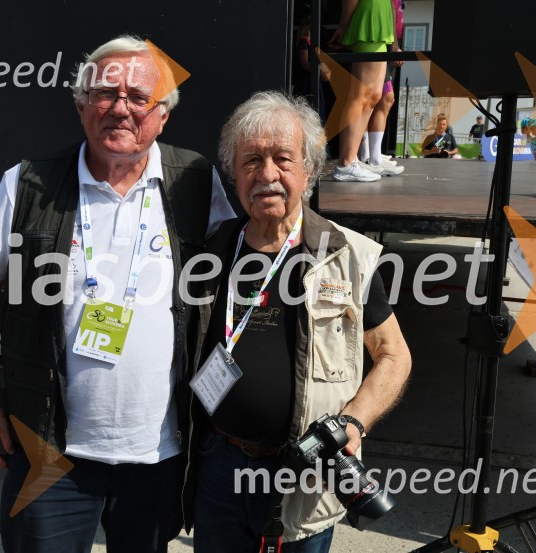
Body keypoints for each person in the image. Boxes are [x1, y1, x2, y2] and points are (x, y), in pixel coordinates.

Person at [0, 35, 235, 553]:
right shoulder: (27, 183)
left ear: (162, 115)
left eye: (137, 98)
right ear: (82, 104)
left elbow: (247, 271)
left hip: (159, 453)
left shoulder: (196, 181)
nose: (120, 109)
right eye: (105, 94)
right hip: (48, 450)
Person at [182, 91, 411, 552]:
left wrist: (353, 422)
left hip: (304, 476)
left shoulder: (347, 255)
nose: (267, 175)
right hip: (219, 463)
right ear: (234, 172)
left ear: (309, 170)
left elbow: (393, 355)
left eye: (282, 159)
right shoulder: (210, 252)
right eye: (251, 161)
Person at [328, 0, 402, 182]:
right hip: (369, 20)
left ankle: (352, 159)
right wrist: (343, 26)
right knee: (361, 96)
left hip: (379, 23)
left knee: (374, 96)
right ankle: (346, 162)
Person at [358, 0, 405, 176]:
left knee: (382, 98)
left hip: (386, 40)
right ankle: (368, 157)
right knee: (375, 97)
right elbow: (391, 11)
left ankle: (372, 156)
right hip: (381, 40)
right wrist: (394, 45)